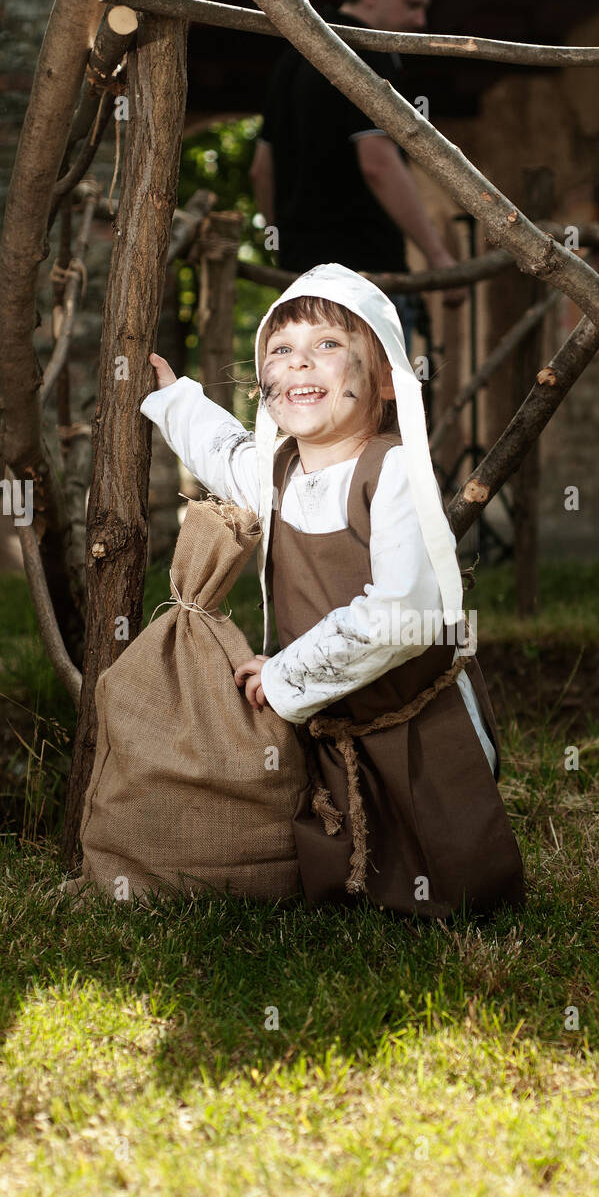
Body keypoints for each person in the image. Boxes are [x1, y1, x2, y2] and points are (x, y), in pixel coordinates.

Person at [141, 263, 524, 921]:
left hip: (411, 709)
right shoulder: (278, 470)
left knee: (452, 867)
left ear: (381, 379)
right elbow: (222, 450)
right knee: (343, 848)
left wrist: (288, 672)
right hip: (334, 708)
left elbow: (401, 614)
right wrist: (175, 398)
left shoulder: (393, 469)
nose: (300, 363)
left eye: (327, 346)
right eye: (281, 350)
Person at [249, 0, 467, 353]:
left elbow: (261, 171)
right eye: (411, 5)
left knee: (313, 402)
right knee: (374, 406)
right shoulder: (368, 50)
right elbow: (378, 164)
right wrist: (439, 258)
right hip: (365, 280)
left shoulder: (294, 54)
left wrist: (284, 248)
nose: (420, 20)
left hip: (301, 280)